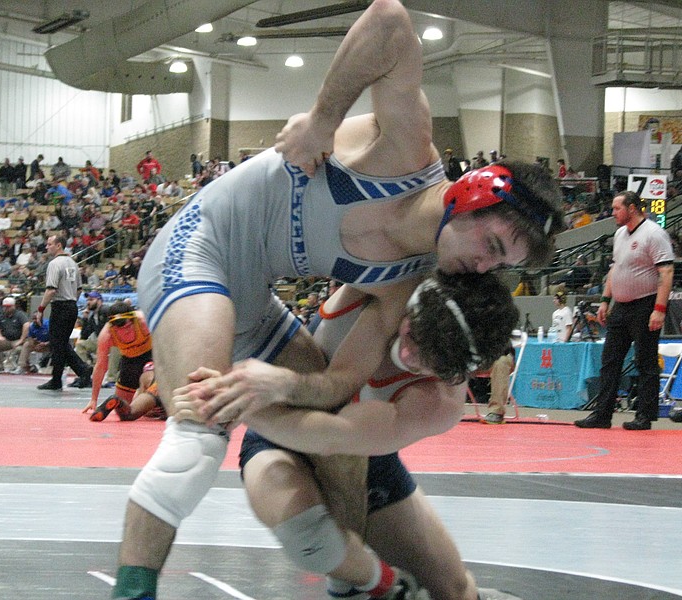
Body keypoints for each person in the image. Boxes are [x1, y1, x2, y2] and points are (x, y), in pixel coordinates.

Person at [111, 1, 565, 597]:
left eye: (501, 263)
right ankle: (132, 590)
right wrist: (325, 117)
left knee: (326, 415)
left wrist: (279, 386)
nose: (485, 264)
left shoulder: (407, 277)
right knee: (198, 433)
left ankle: (356, 584)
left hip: (254, 299)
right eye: (493, 242)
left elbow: (334, 387)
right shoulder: (405, 152)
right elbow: (390, 18)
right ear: (476, 193)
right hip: (202, 247)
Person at [176, 272, 519, 599]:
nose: (410, 355)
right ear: (414, 306)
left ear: (457, 373)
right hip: (278, 443)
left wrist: (229, 401)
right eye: (414, 336)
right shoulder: (383, 291)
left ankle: (362, 583)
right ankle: (386, 586)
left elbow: (332, 437)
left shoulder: (438, 403)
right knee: (309, 537)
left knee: (456, 592)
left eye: (430, 361)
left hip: (359, 455)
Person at [575, 190, 674, 430]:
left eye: (617, 208)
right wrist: (605, 300)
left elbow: (666, 272)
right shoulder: (619, 234)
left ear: (632, 208)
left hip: (645, 303)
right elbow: (615, 268)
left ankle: (644, 415)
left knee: (645, 361)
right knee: (610, 360)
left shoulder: (654, 233)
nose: (613, 213)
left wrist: (659, 309)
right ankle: (602, 414)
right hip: (621, 305)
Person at [36, 234, 93, 391]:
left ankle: (73, 373)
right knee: (60, 343)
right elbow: (79, 289)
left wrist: (40, 309)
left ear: (58, 245)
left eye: (49, 244)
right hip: (71, 305)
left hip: (60, 306)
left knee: (57, 343)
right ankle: (77, 372)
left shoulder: (55, 264)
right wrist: (71, 301)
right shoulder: (73, 263)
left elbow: (51, 290)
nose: (47, 247)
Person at [82, 304, 155, 421]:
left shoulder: (143, 321)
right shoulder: (107, 335)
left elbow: (167, 340)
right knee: (123, 412)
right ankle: (133, 403)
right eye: (119, 328)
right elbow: (100, 366)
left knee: (150, 383)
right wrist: (94, 399)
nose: (124, 331)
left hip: (152, 356)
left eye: (127, 326)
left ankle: (149, 400)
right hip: (129, 362)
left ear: (133, 320)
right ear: (112, 326)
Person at [0, 296, 28, 373]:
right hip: (7, 341)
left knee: (20, 349)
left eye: (8, 307)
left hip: (18, 340)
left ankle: (21, 367)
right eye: (4, 307)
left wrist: (22, 339)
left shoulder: (20, 315)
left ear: (13, 306)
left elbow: (26, 325)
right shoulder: (1, 316)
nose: (6, 309)